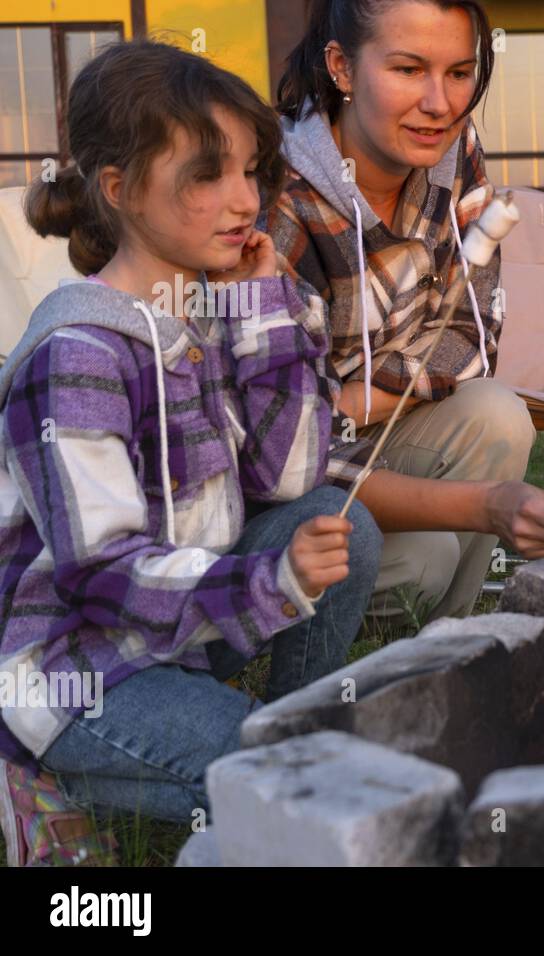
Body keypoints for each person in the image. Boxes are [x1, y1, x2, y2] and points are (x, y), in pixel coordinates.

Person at [0, 40, 382, 865]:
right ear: (119, 190)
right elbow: (101, 570)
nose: (245, 200)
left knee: (337, 522)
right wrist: (269, 584)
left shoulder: (207, 311)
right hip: (81, 669)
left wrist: (264, 303)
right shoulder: (78, 353)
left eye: (252, 171)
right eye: (208, 175)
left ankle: (282, 733)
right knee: (277, 785)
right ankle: (40, 772)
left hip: (178, 636)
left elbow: (289, 476)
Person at [267, 0, 544, 621]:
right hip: (278, 482)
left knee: (499, 414)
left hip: (364, 418)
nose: (440, 104)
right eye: (408, 69)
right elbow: (284, 450)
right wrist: (486, 505)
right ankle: (361, 636)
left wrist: (359, 400)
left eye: (458, 72)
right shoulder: (280, 204)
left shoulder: (452, 149)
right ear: (341, 67)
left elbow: (473, 326)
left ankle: (452, 635)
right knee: (425, 560)